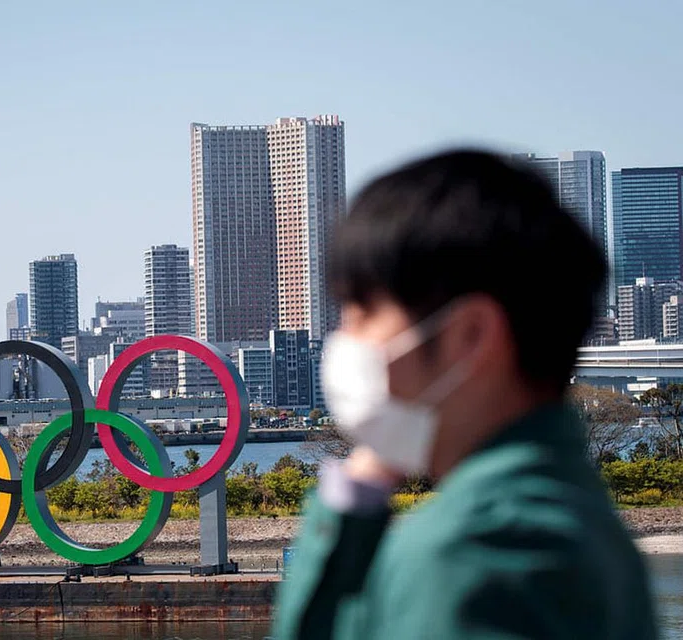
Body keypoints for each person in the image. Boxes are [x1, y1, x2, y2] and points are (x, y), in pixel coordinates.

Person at [271, 149, 657, 639]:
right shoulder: (579, 519)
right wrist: (359, 493)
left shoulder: (466, 554)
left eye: (363, 311)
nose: (344, 337)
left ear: (469, 336)